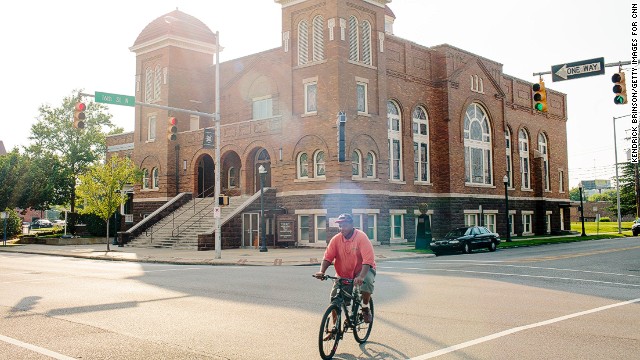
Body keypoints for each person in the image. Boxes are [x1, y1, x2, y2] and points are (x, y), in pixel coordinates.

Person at [314, 213, 376, 324]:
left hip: (363, 270)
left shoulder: (361, 237)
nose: (342, 228)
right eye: (340, 226)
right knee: (334, 299)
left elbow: (368, 260)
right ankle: (334, 328)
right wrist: (322, 271)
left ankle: (365, 308)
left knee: (366, 282)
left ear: (352, 224)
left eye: (345, 225)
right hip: (343, 273)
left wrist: (361, 276)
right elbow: (328, 257)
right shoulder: (336, 239)